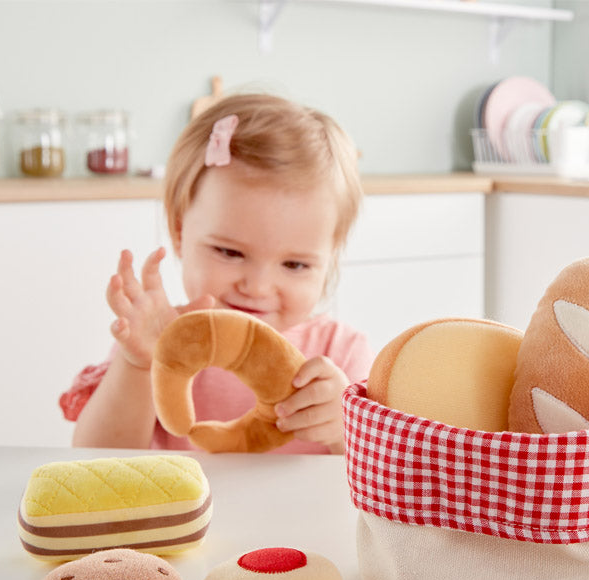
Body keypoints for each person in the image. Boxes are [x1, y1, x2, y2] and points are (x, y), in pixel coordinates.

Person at [60, 93, 374, 454]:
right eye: (230, 252)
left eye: (295, 265)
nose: (257, 287)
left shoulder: (343, 356)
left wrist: (343, 430)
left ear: (329, 259)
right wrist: (138, 366)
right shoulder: (156, 339)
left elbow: (383, 478)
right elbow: (96, 457)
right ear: (180, 234)